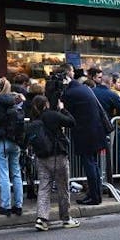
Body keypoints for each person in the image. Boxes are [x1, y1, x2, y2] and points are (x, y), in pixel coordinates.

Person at [26, 94, 78, 231]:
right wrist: (63, 109)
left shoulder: (33, 118)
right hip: (57, 155)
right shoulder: (52, 115)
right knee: (63, 188)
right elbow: (71, 122)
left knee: (44, 187)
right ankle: (66, 218)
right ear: (46, 105)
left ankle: (42, 218)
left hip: (41, 157)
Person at [62, 73, 109, 206]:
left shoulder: (70, 93)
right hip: (95, 132)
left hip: (85, 134)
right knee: (94, 164)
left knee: (89, 164)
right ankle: (96, 195)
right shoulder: (84, 89)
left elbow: (67, 113)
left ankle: (94, 196)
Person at [0, 77, 24, 216]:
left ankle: (5, 205)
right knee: (16, 173)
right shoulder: (15, 100)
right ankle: (18, 205)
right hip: (15, 140)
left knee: (3, 174)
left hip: (1, 140)